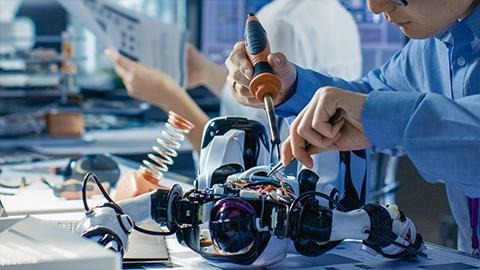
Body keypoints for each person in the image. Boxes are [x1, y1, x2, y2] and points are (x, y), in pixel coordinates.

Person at [225, 0, 480, 255]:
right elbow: (372, 98)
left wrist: (375, 115)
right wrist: (288, 87)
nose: (375, 7)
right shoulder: (434, 44)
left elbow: (381, 111)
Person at [107, 0, 366, 204]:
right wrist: (208, 73)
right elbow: (279, 98)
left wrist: (166, 94)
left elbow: (241, 170)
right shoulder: (340, 17)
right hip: (329, 200)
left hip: (276, 212)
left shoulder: (280, 22)